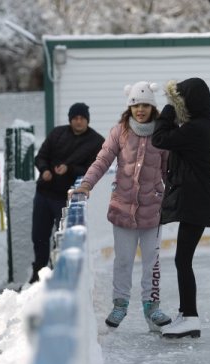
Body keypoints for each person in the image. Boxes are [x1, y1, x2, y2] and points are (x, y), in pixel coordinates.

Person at [74, 81, 172, 332]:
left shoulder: (160, 134)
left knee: (152, 261)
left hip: (152, 209)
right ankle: (120, 304)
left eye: (145, 105)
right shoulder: (120, 132)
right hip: (123, 209)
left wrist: (172, 195)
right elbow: (103, 159)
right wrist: (87, 184)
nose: (141, 110)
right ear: (130, 107)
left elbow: (168, 170)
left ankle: (152, 307)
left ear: (152, 108)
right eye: (136, 105)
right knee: (124, 260)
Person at [151, 77, 210, 339]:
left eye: (179, 101)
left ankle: (190, 317)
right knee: (183, 259)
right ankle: (187, 313)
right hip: (197, 196)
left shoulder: (197, 128)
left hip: (197, 198)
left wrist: (168, 110)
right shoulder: (200, 125)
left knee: (183, 259)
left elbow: (160, 138)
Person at [29, 102, 104, 284]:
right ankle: (39, 271)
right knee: (39, 235)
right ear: (70, 120)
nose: (78, 122)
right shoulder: (57, 133)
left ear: (87, 120)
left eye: (82, 118)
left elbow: (93, 169)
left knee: (61, 238)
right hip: (44, 193)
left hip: (67, 198)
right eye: (75, 118)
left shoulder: (97, 141)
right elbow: (40, 156)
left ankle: (57, 273)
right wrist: (44, 169)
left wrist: (70, 169)